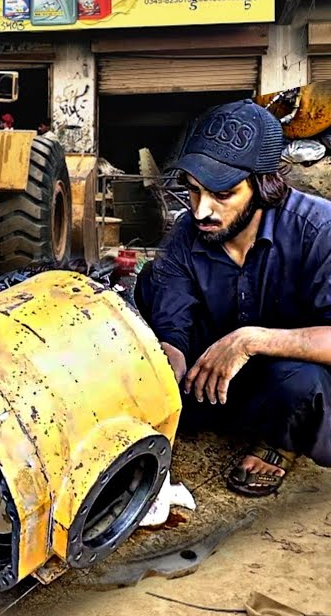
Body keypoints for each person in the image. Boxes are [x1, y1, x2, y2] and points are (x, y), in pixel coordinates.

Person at [136, 99, 331, 496]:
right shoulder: (186, 234)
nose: (201, 211)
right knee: (149, 281)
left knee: (302, 384)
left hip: (284, 379)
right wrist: (168, 358)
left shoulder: (319, 229)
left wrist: (250, 340)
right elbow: (173, 319)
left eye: (222, 194)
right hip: (213, 378)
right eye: (194, 191)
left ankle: (280, 440)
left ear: (264, 185)